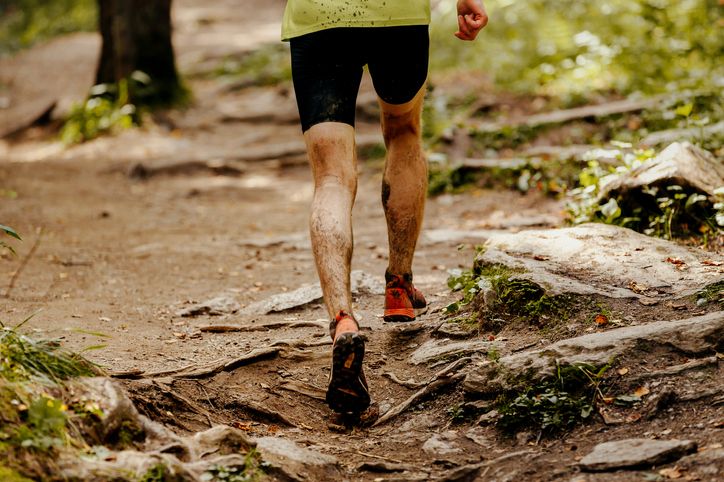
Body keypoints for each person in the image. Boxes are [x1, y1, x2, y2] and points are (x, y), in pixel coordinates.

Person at [282, 0, 488, 414]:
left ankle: (342, 319)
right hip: (400, 15)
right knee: (404, 133)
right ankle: (399, 285)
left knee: (332, 177)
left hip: (317, 18)